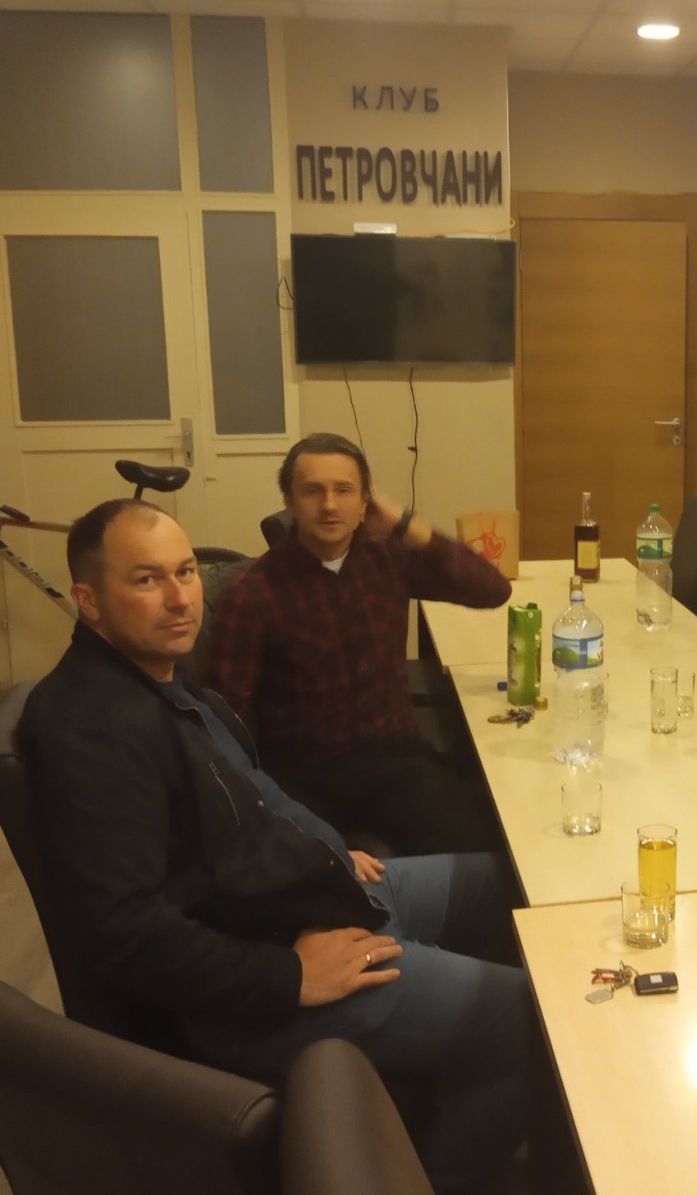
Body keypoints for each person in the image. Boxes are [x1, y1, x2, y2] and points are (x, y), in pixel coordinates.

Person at [17, 500, 535, 1195]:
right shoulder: (92, 728)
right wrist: (288, 976)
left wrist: (329, 846)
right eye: (146, 580)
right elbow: (122, 932)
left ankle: (459, 1083)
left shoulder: (159, 680)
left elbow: (256, 790)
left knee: (518, 884)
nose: (179, 598)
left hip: (315, 894)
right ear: (89, 601)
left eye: (185, 571)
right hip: (260, 981)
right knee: (536, 1019)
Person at [206, 432, 510, 855]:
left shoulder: (385, 558)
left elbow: (492, 589)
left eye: (344, 490)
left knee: (490, 846)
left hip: (396, 761)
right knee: (306, 871)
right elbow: (224, 720)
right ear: (289, 502)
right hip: (302, 776)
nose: (329, 505)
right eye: (312, 491)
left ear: (366, 502)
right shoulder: (251, 593)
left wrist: (405, 524)